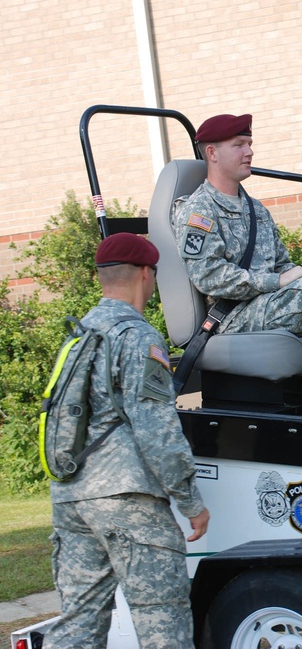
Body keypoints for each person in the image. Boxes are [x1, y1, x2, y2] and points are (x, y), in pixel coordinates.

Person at [46, 233, 209, 647]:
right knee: (162, 623)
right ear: (144, 274)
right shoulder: (138, 338)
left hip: (72, 498)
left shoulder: (78, 335)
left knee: (78, 622)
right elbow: (157, 430)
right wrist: (189, 500)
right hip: (128, 502)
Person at [171, 113, 302, 359]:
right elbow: (210, 277)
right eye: (239, 145)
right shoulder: (199, 210)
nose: (249, 152)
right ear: (212, 153)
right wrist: (278, 282)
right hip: (234, 315)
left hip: (269, 303)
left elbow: (282, 266)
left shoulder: (256, 210)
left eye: (250, 144)